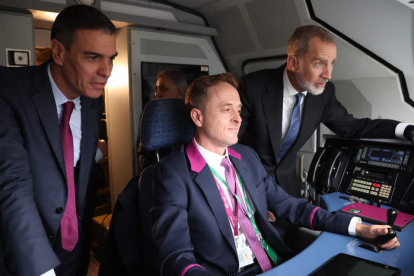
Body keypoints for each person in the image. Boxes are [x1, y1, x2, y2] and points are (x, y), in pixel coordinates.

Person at [150, 73, 400, 276]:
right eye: (227, 110)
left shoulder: (245, 157)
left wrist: (359, 228)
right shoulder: (171, 174)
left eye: (238, 110)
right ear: (198, 116)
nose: (237, 118)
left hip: (277, 262)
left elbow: (291, 206)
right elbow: (176, 257)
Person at [0, 5, 117, 276]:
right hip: (23, 249)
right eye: (93, 57)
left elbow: (77, 164)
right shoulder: (8, 91)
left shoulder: (91, 100)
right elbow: (11, 183)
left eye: (111, 58)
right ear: (58, 52)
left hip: (75, 247)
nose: (107, 70)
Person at [238, 25, 414, 198]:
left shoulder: (323, 94)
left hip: (286, 189)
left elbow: (353, 127)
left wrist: (405, 130)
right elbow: (225, 145)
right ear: (293, 63)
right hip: (245, 186)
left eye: (331, 64)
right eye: (319, 63)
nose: (328, 74)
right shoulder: (252, 87)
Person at [137, 68, 188, 170]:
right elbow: (144, 156)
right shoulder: (154, 116)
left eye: (163, 89)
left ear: (179, 91)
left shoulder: (194, 115)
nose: (157, 94)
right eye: (156, 88)